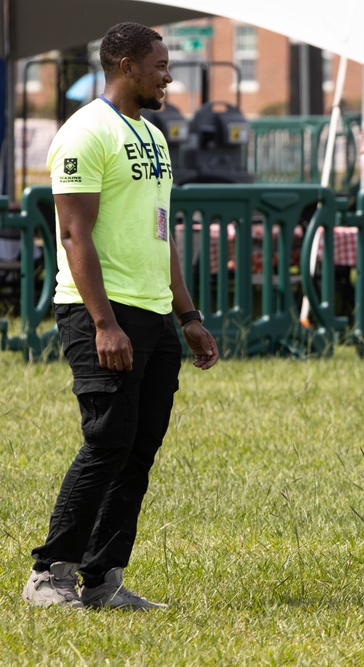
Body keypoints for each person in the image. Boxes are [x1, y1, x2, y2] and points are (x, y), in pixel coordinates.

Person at [22, 22, 218, 611]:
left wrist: (187, 315)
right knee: (107, 440)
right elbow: (74, 233)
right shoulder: (86, 132)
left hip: (155, 313)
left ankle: (104, 578)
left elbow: (163, 235)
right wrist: (103, 322)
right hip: (98, 312)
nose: (169, 75)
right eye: (160, 64)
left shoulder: (153, 136)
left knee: (139, 446)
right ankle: (49, 573)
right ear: (127, 65)